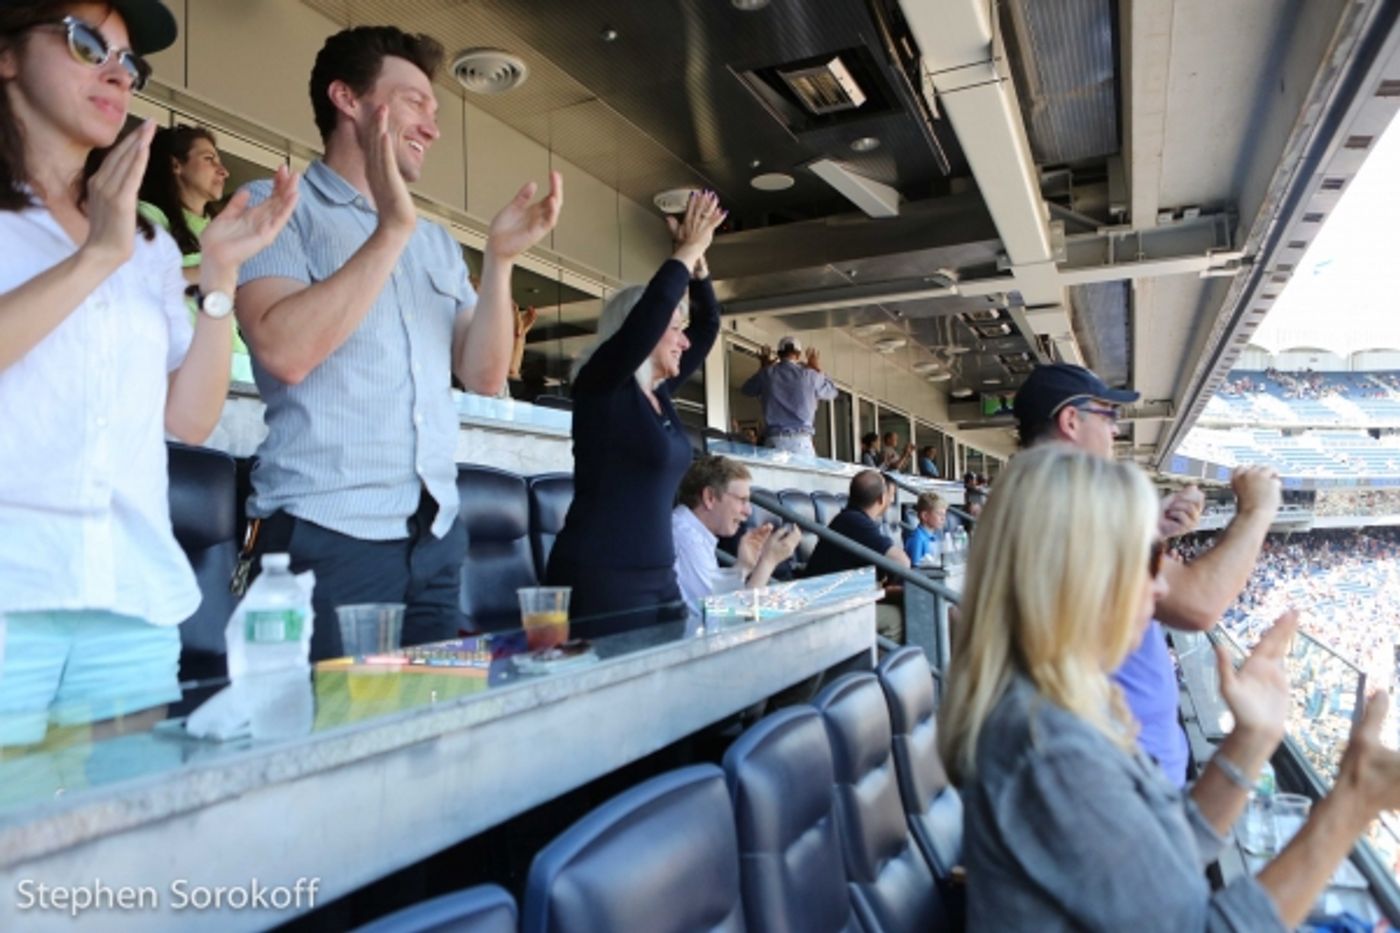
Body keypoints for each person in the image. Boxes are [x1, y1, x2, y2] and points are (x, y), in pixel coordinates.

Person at [939, 443, 1400, 931]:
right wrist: (1351, 803)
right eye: (1150, 561)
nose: (1161, 588)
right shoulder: (1049, 748)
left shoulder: (1057, 707)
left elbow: (1170, 849)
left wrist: (1255, 738)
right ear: (1085, 578)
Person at [0, 0, 297, 743]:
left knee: (124, 842)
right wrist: (95, 256)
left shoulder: (153, 245)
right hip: (13, 594)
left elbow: (184, 420)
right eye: (84, 41)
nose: (117, 70)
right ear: (6, 54)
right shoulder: (112, 243)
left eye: (130, 61)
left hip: (129, 593)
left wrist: (222, 271)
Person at [235, 26, 562, 660]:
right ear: (348, 99)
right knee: (335, 742)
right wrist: (390, 228)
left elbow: (485, 375)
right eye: (415, 102)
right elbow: (283, 351)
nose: (432, 128)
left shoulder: (436, 241)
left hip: (436, 536)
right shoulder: (275, 205)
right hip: (327, 533)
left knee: (427, 737)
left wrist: (499, 262)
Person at [1013, 361, 1277, 785]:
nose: (1115, 430)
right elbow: (1198, 605)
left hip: (1113, 764)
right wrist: (1257, 511)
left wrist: (1151, 536)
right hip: (1123, 777)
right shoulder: (1079, 510)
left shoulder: (1035, 499)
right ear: (1071, 420)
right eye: (1108, 415)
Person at [545, 191, 725, 634]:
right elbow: (649, 316)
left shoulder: (658, 395)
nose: (684, 342)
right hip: (603, 575)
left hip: (660, 575)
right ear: (639, 334)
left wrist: (698, 269)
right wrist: (684, 252)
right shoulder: (602, 386)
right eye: (674, 332)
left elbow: (709, 328)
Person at [136, 124, 255, 382]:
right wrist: (214, 273)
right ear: (176, 165)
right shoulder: (147, 215)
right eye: (209, 159)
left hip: (236, 360)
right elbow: (140, 282)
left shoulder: (220, 228)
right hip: (179, 361)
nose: (223, 171)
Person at [671, 455, 800, 613]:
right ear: (710, 497)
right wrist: (768, 561)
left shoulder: (691, 532)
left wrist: (743, 567)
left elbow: (731, 608)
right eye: (742, 500)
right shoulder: (687, 540)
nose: (748, 511)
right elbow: (727, 619)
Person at [740, 335, 836, 456]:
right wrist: (816, 368)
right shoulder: (809, 375)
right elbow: (832, 391)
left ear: (779, 354)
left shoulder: (768, 374)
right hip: (801, 442)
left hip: (774, 442)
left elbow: (747, 390)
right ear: (799, 354)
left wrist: (763, 367)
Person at [904, 492, 947, 566]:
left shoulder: (935, 537)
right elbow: (915, 569)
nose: (943, 518)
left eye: (944, 514)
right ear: (925, 516)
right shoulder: (917, 539)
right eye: (939, 514)